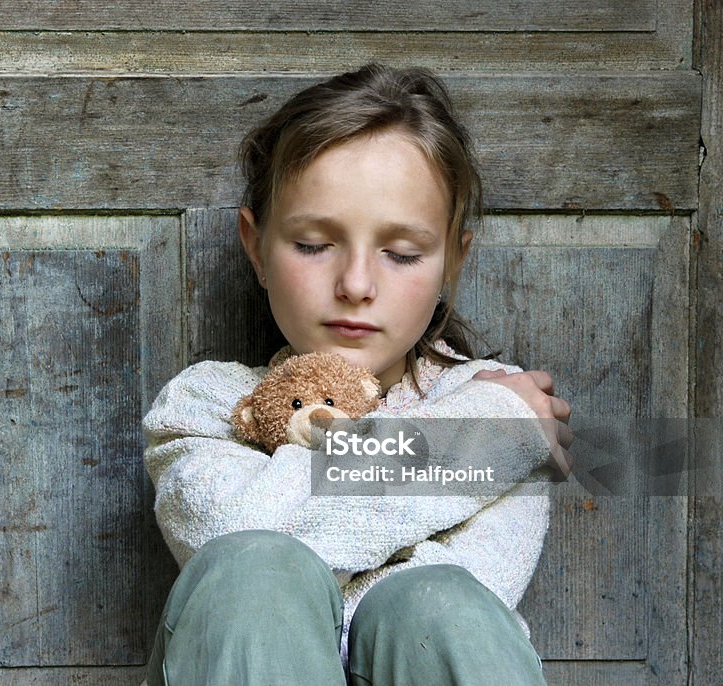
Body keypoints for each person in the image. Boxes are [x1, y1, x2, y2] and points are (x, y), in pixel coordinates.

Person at [141, 64, 572, 686]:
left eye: (401, 255)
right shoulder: (206, 406)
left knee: (437, 605)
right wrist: (467, 440)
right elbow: (247, 537)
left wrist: (315, 495)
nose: (356, 285)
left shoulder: (505, 403)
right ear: (255, 247)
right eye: (315, 245)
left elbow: (474, 594)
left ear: (453, 260)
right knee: (256, 570)